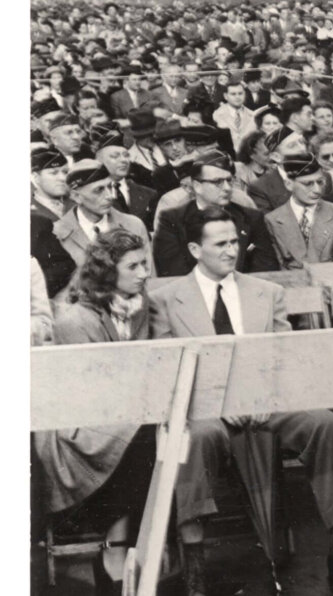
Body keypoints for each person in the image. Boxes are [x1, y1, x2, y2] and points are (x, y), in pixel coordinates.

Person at [149, 207, 333, 596]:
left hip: (267, 401)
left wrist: (267, 395)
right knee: (193, 439)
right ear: (196, 249)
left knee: (326, 423)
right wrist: (216, 404)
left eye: (235, 241)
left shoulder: (267, 293)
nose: (232, 251)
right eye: (221, 244)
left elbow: (282, 359)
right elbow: (169, 374)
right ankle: (195, 566)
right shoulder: (167, 300)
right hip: (206, 409)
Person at [34, 229, 156, 593]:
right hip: (73, 426)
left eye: (145, 264)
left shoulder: (137, 306)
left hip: (120, 413)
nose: (144, 273)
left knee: (159, 433)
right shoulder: (75, 318)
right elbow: (82, 394)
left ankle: (132, 547)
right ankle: (116, 548)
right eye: (133, 266)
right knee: (145, 434)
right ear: (107, 273)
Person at [153, 149, 280, 277]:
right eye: (217, 182)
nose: (227, 188)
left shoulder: (251, 218)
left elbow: (266, 270)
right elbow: (173, 272)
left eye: (229, 180)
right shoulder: (172, 221)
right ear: (197, 186)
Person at [263, 154, 333, 269]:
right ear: (289, 184)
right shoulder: (273, 220)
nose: (317, 190)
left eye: (320, 182)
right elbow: (277, 270)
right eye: (308, 184)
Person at [53, 160, 152, 270]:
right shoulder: (57, 234)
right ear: (76, 196)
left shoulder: (133, 225)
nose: (109, 196)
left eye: (110, 187)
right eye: (99, 190)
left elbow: (149, 277)